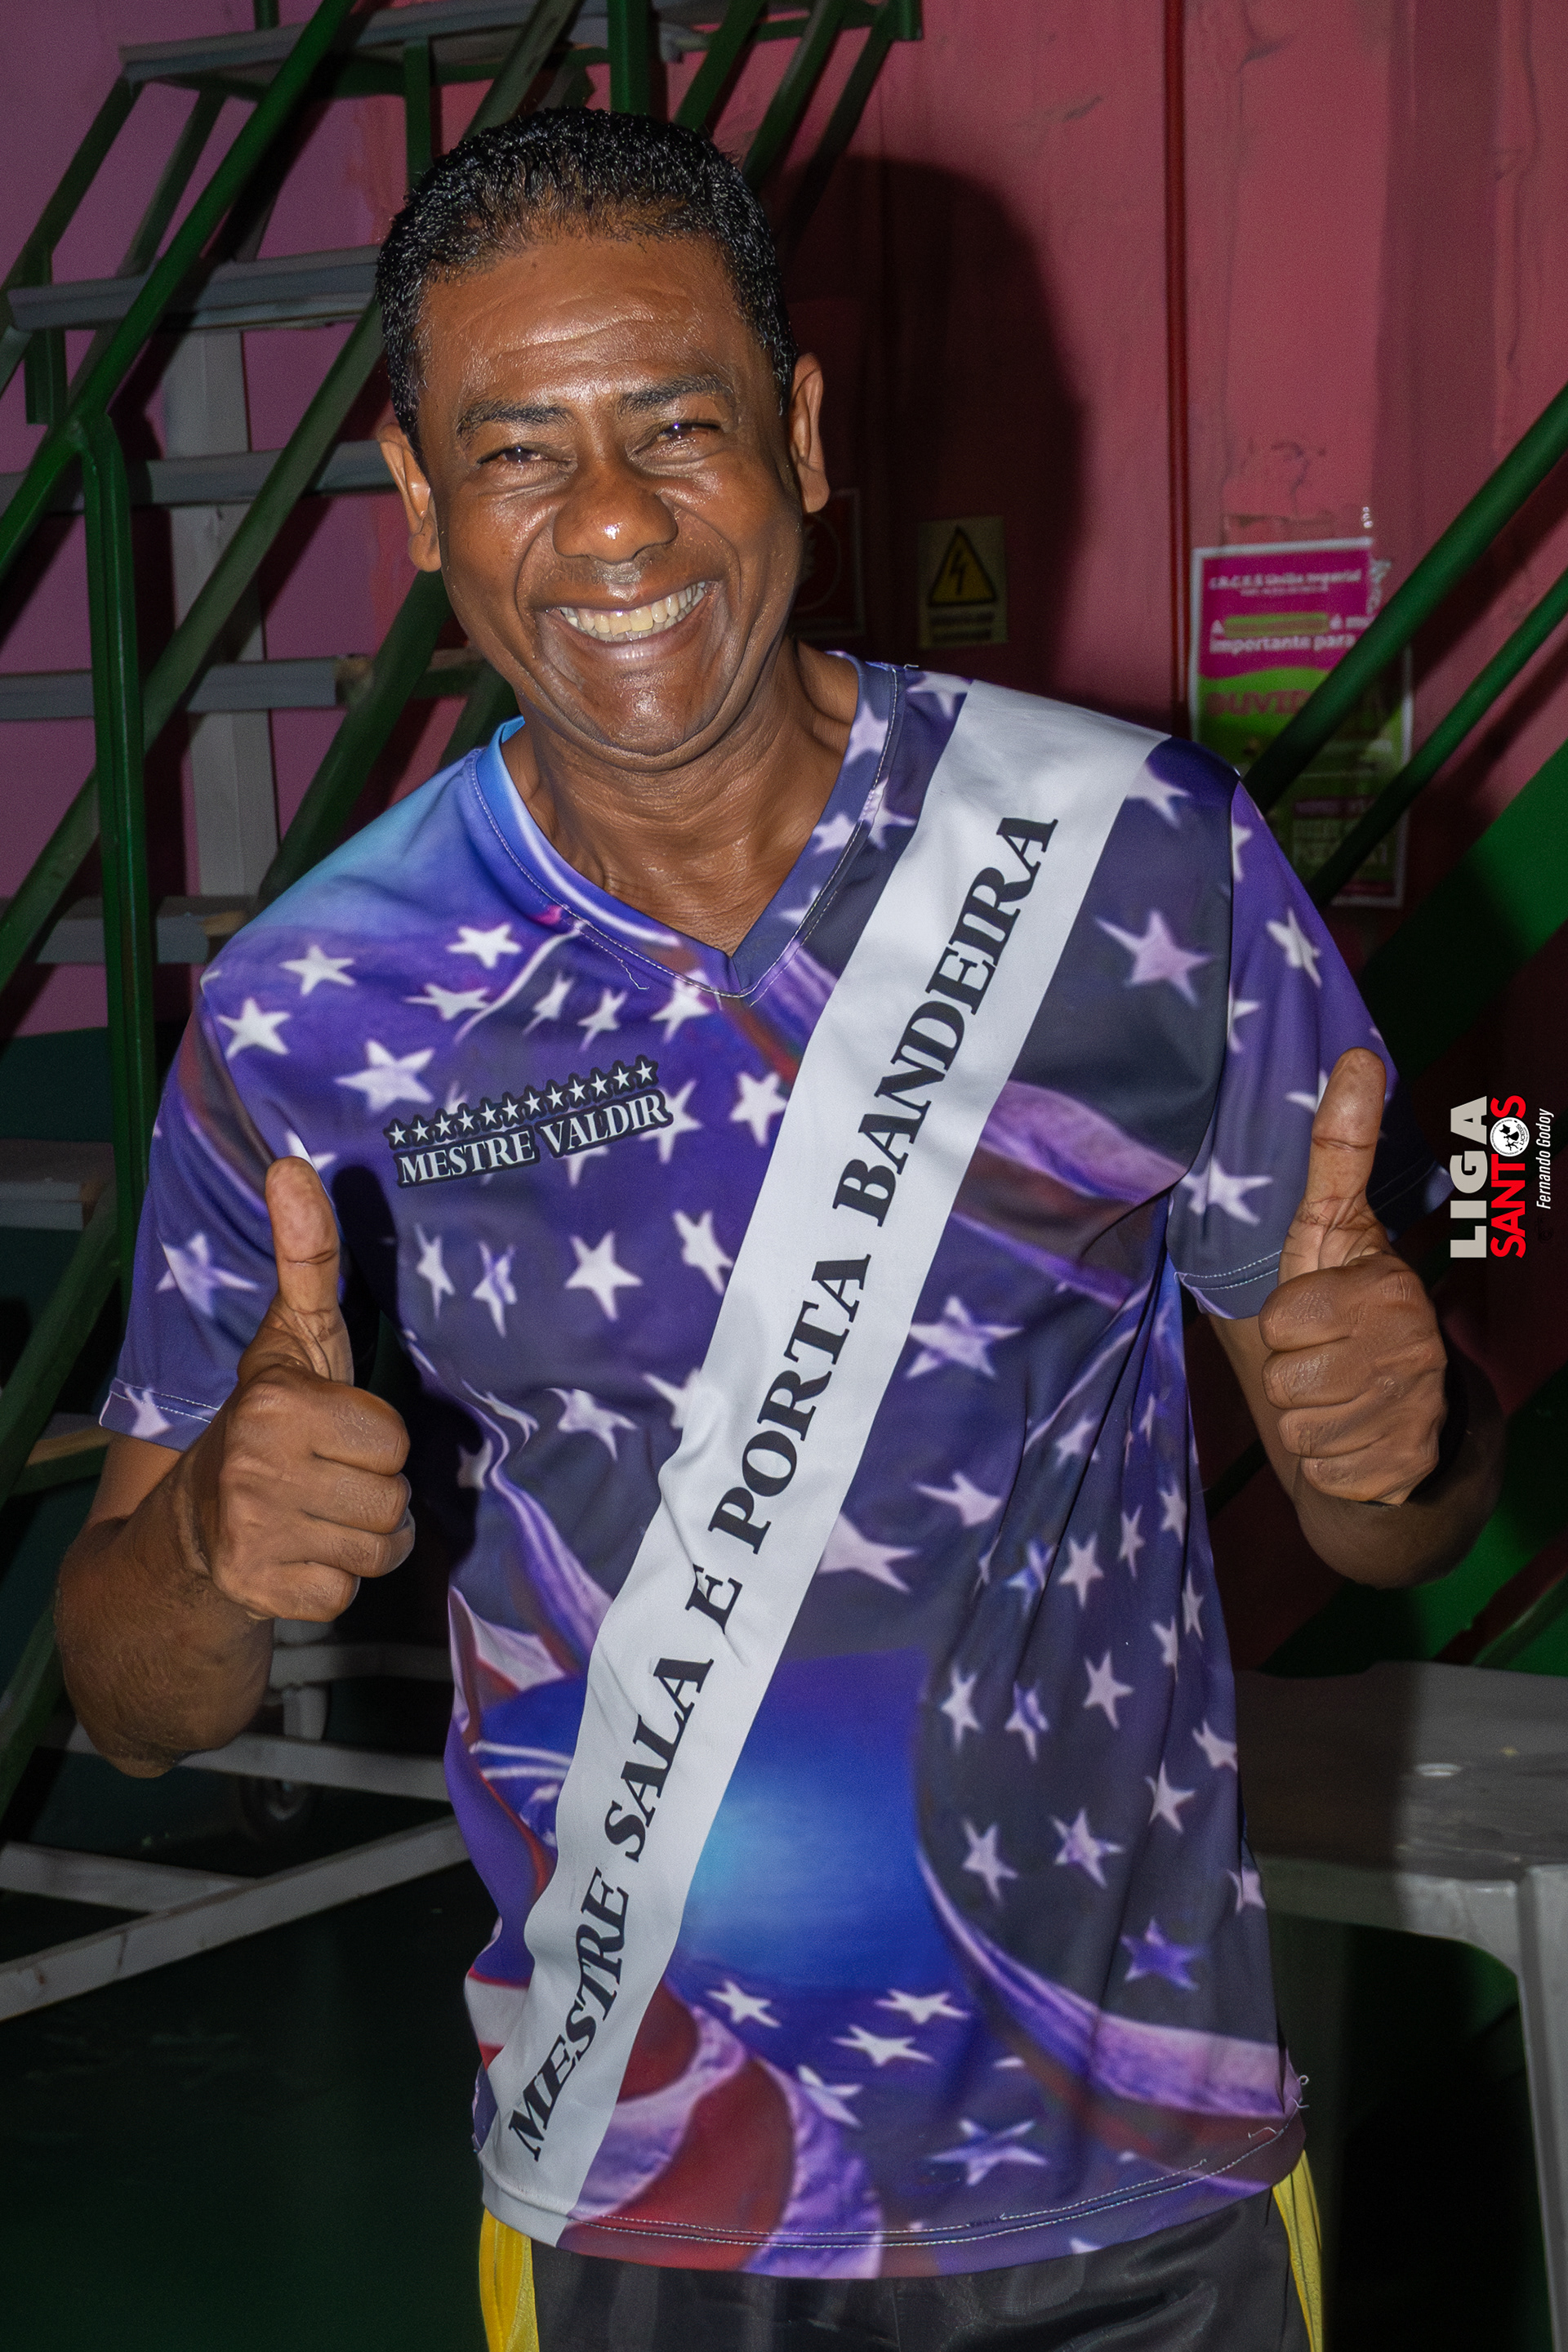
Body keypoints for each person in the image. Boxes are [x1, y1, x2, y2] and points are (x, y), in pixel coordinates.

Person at [56, 109, 1502, 2352]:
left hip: (1141, 2181)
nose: (613, 520)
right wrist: (211, 1551)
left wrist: (1406, 1438)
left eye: (678, 424)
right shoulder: (314, 1009)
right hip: (634, 2188)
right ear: (419, 498)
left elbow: (1394, 1519)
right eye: (517, 451)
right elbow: (132, 1703)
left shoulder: (1136, 859)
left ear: (803, 434)